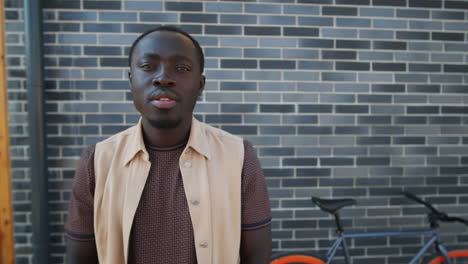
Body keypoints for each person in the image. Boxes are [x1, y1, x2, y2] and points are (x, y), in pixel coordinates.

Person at [65, 25, 272, 264]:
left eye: (182, 68)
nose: (163, 77)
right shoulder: (97, 161)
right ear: (131, 80)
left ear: (200, 85)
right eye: (147, 66)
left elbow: (257, 257)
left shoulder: (239, 157)